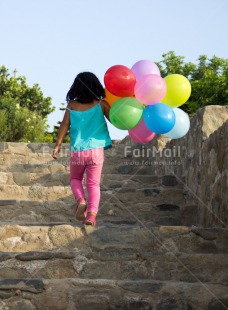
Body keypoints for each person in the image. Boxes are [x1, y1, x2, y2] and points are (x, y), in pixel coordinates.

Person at [52, 72, 112, 226]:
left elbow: (64, 125)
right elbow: (116, 119)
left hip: (78, 151)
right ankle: (91, 215)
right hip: (96, 151)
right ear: (96, 86)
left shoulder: (72, 105)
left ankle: (80, 200)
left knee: (75, 179)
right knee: (93, 184)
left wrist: (58, 145)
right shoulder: (101, 104)